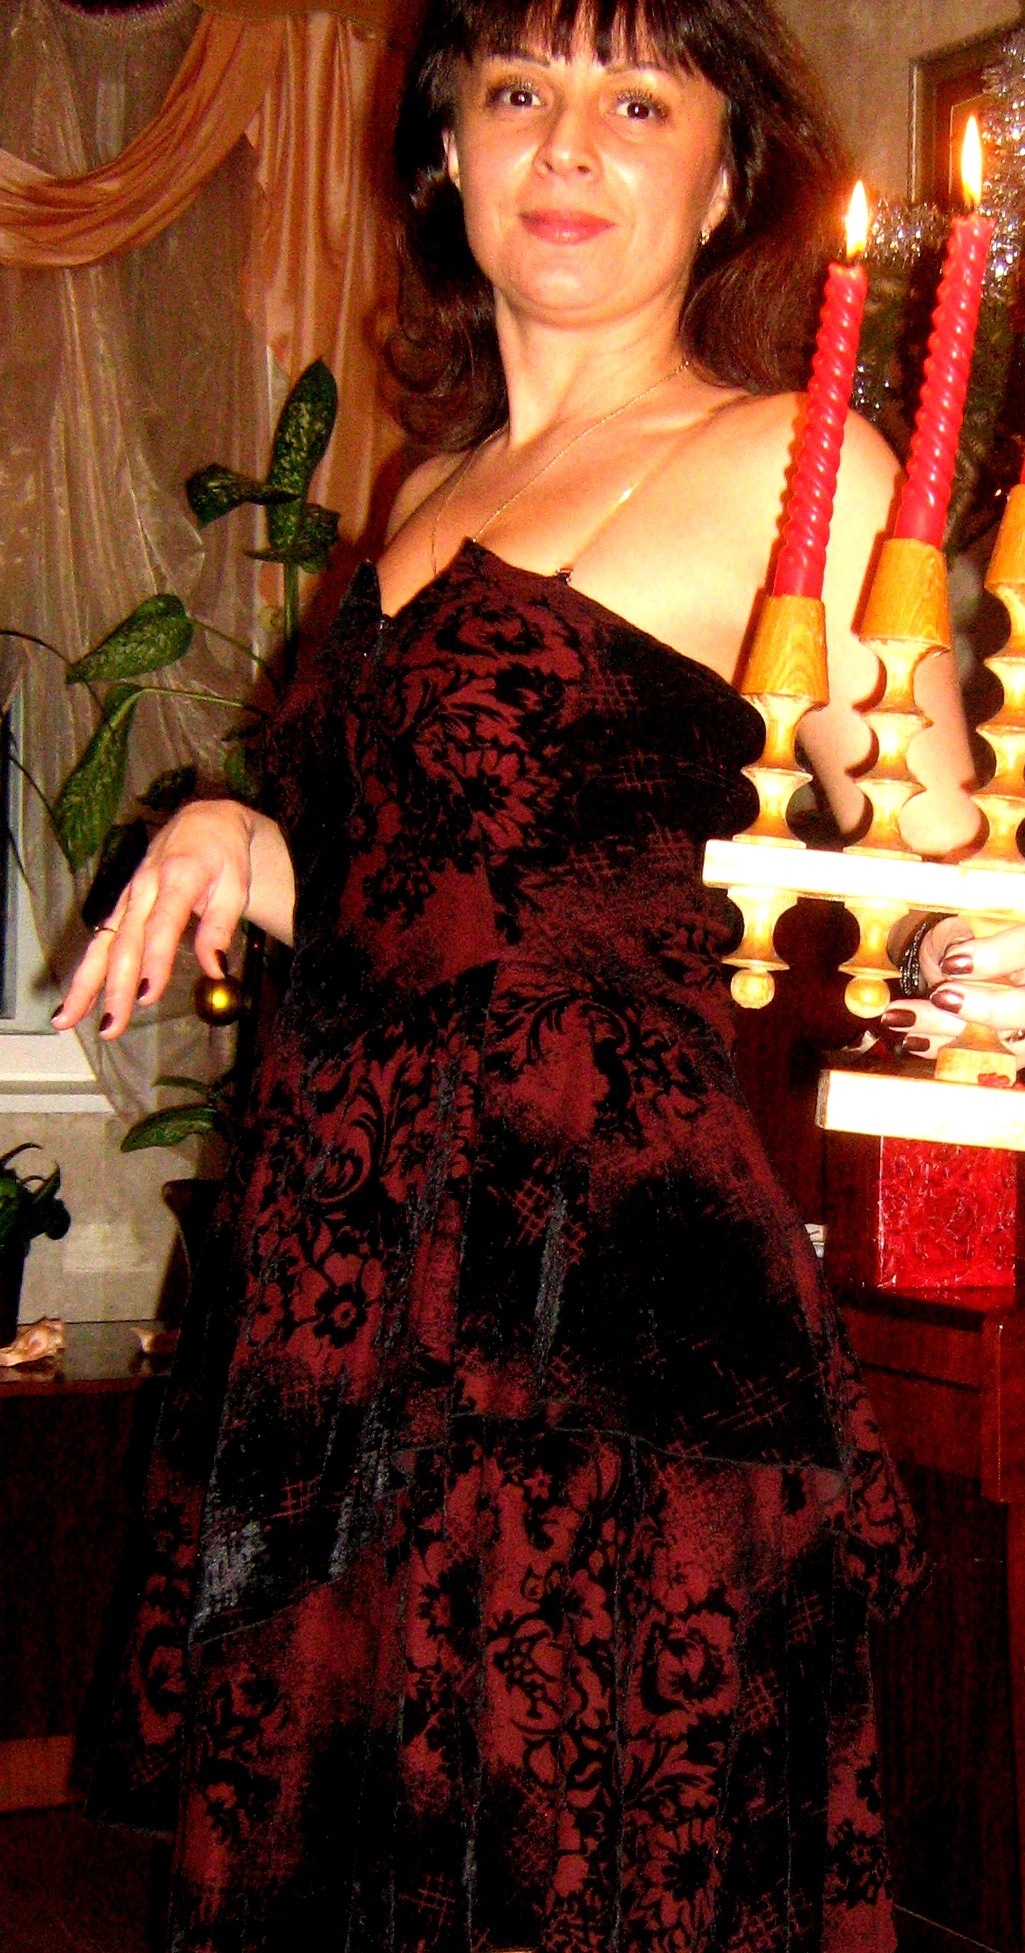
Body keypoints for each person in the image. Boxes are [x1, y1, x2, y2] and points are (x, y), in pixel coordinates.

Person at [66, 2, 980, 1948]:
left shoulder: (790, 467)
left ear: (724, 183)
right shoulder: (423, 490)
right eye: (517, 92)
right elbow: (436, 901)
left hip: (592, 1293)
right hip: (349, 1276)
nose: (568, 144)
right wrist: (240, 838)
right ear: (450, 156)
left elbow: (945, 885)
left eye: (637, 101)